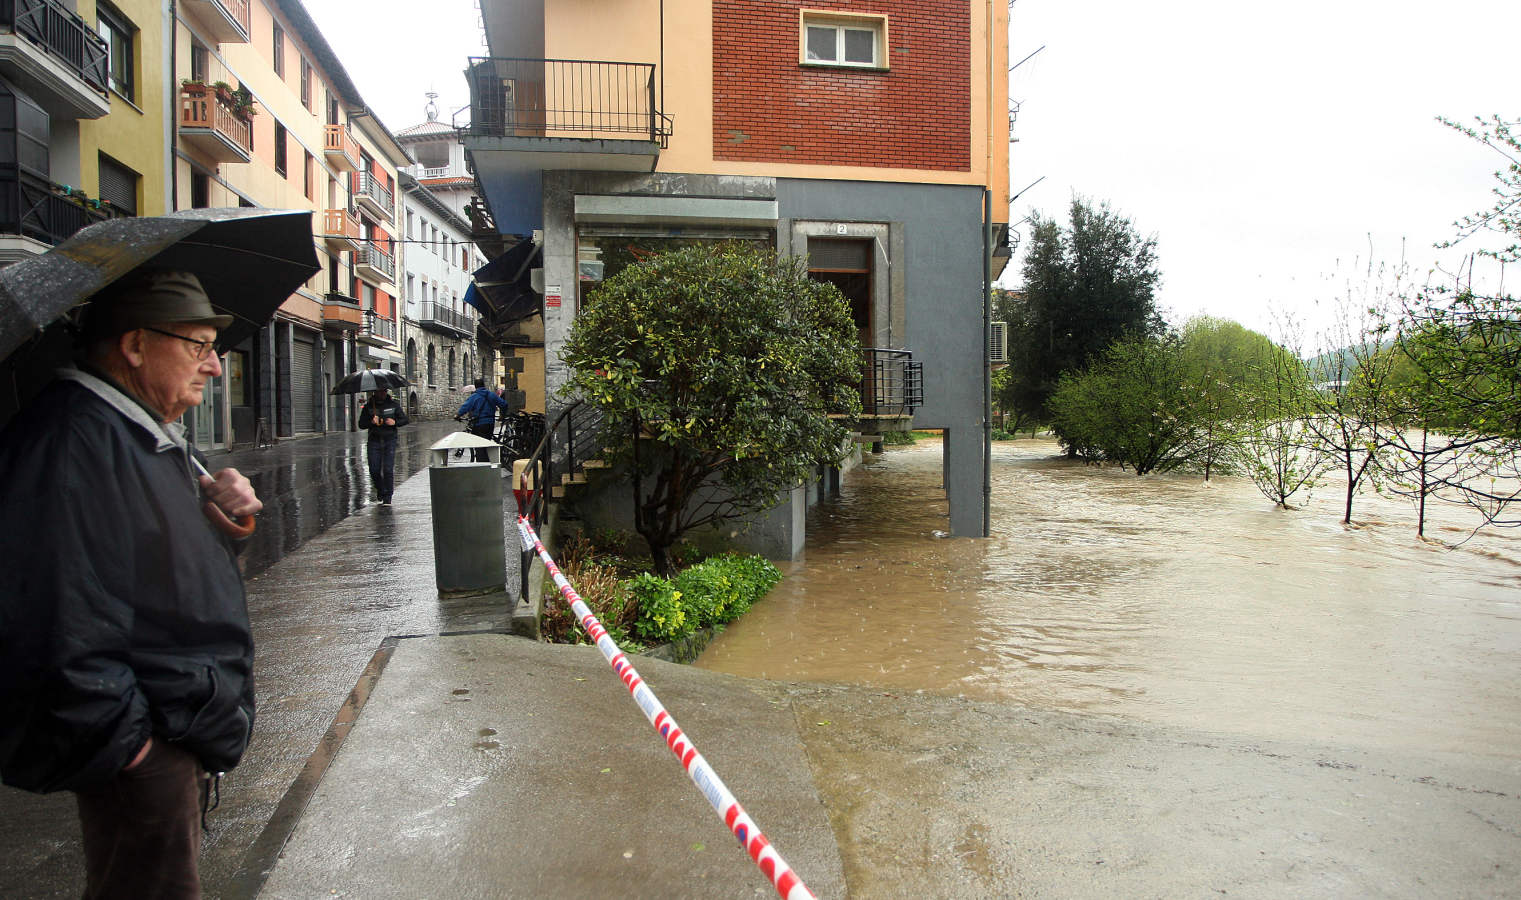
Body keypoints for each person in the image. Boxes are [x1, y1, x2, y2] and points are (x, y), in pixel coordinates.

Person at [0, 269, 263, 900]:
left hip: (174, 723)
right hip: (145, 745)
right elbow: (54, 615)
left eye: (214, 349)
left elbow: (160, 570)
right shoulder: (74, 443)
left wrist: (231, 524)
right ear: (135, 345)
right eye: (197, 346)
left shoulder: (140, 432)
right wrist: (136, 753)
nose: (215, 368)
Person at [358, 385, 408, 504]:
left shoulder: (393, 405)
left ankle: (388, 496)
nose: (383, 393)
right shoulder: (369, 407)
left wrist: (395, 422)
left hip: (389, 440)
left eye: (384, 391)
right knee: (374, 469)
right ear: (375, 392)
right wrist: (371, 422)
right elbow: (361, 424)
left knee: (387, 469)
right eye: (380, 391)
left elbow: (405, 420)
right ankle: (381, 489)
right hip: (374, 440)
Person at [457, 376, 508, 462]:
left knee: (479, 445)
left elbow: (465, 407)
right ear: (484, 385)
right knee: (486, 442)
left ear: (476, 387)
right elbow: (504, 404)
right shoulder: (491, 395)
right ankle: (487, 461)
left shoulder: (474, 396)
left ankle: (483, 465)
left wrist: (457, 415)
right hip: (490, 423)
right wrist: (502, 415)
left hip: (479, 424)